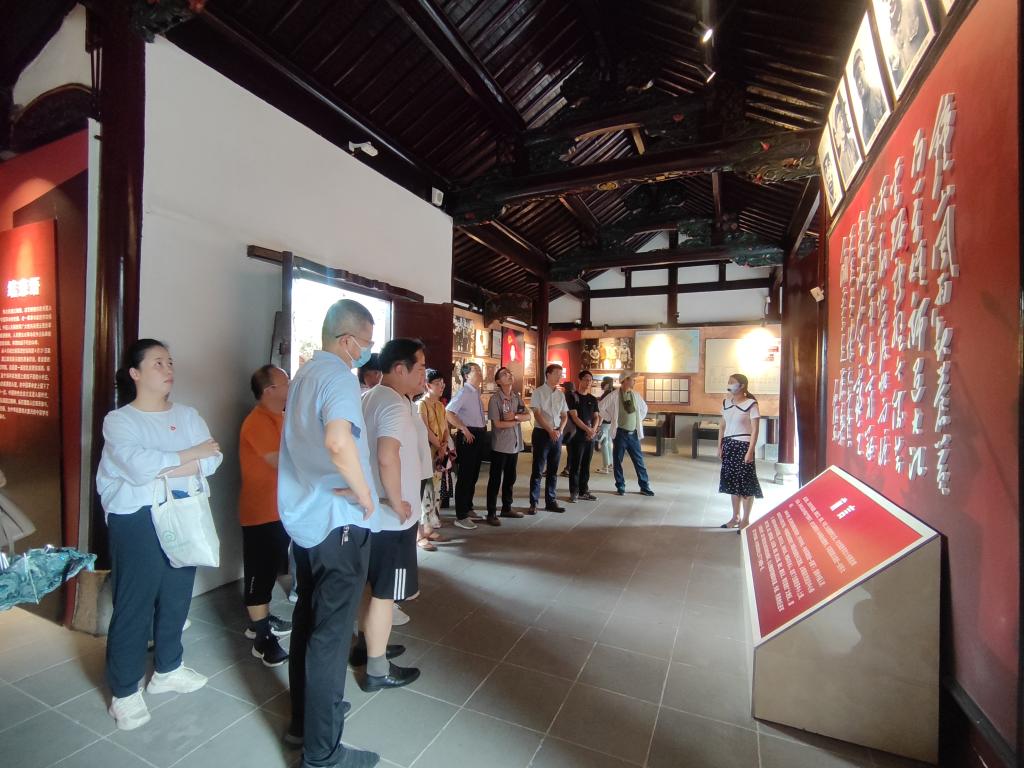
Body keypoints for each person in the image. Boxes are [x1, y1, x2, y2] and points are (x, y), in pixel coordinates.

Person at [97, 339, 222, 731]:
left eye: (170, 362)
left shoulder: (187, 415)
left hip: (183, 510)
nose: (168, 369)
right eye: (157, 363)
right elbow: (137, 468)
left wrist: (171, 465)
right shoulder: (120, 420)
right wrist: (191, 455)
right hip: (136, 517)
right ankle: (124, 691)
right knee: (134, 602)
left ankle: (168, 669)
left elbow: (213, 458)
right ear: (135, 373)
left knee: (176, 593)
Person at [279, 299, 381, 768]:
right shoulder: (338, 376)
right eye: (367, 343)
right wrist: (364, 495)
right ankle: (322, 754)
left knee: (308, 619)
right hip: (338, 522)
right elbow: (338, 442)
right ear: (348, 341)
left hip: (307, 519)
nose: (368, 352)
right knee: (331, 637)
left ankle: (305, 722)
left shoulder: (303, 374)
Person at [356, 338, 426, 692]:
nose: (424, 375)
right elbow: (387, 456)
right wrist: (397, 502)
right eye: (420, 368)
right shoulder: (394, 406)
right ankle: (377, 668)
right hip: (390, 517)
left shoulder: (371, 396)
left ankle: (367, 644)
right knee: (385, 593)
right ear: (400, 368)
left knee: (370, 587)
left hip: (371, 513)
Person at [238, 365, 293, 668]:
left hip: (280, 509)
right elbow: (278, 459)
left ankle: (259, 620)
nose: (291, 385)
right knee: (258, 574)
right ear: (270, 390)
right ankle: (262, 639)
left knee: (269, 570)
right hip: (261, 512)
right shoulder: (257, 421)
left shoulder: (281, 417)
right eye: (286, 382)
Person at [718, 373, 763, 530]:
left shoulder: (751, 404)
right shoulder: (726, 403)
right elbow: (722, 426)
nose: (729, 384)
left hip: (743, 445)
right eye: (728, 381)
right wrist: (719, 446)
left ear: (742, 385)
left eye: (732, 382)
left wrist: (750, 451)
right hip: (729, 445)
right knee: (732, 482)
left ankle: (745, 520)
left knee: (746, 483)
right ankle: (735, 517)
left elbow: (755, 430)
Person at [485, 366, 530, 523]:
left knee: (511, 478)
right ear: (498, 381)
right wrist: (516, 421)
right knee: (495, 480)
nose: (509, 375)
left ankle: (506, 508)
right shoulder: (495, 399)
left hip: (515, 445)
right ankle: (491, 512)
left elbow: (528, 416)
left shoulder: (516, 397)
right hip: (500, 446)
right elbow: (498, 424)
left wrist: (515, 417)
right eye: (504, 374)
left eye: (509, 373)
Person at [599, 371, 655, 497]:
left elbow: (644, 409)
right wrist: (611, 418)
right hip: (620, 434)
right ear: (624, 380)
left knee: (639, 461)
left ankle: (644, 486)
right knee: (618, 461)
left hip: (633, 434)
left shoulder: (635, 395)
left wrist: (638, 420)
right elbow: (601, 407)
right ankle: (620, 485)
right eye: (632, 379)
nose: (634, 381)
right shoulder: (614, 395)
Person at [446, 362, 487, 530]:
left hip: (479, 434)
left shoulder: (475, 392)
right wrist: (463, 428)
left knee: (473, 475)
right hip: (469, 436)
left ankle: (468, 508)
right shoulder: (464, 392)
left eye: (480, 370)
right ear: (466, 375)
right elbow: (449, 412)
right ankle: (461, 515)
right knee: (465, 476)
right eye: (476, 370)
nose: (480, 372)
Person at [417, 369, 452, 544]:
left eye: (442, 383)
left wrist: (443, 444)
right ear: (427, 385)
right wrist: (439, 445)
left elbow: (445, 428)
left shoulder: (440, 406)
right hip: (425, 452)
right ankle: (419, 532)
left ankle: (429, 527)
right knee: (423, 491)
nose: (441, 386)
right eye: (437, 383)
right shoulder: (421, 405)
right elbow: (425, 429)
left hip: (439, 453)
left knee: (435, 490)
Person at [529, 364, 569, 514]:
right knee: (538, 469)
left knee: (553, 470)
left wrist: (560, 430)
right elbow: (537, 414)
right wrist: (550, 430)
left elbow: (564, 415)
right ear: (548, 374)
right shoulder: (538, 392)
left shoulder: (560, 395)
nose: (560, 377)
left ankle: (551, 501)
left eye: (561, 374)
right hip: (542, 433)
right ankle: (533, 502)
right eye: (557, 373)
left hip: (557, 434)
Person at [566, 370, 601, 503]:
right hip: (576, 437)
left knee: (586, 465)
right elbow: (574, 417)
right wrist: (588, 430)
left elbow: (596, 417)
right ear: (579, 380)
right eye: (586, 379)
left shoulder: (592, 399)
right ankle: (574, 492)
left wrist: (593, 430)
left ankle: (584, 490)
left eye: (590, 380)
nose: (588, 382)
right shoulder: (572, 397)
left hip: (589, 437)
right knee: (575, 465)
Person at [852, 49, 885, 141]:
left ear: (865, 72)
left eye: (860, 73)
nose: (859, 82)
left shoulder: (878, 92)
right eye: (856, 79)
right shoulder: (862, 121)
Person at [594, 376, 615, 474]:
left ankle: (605, 466)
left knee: (604, 443)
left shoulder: (606, 394)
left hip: (604, 422)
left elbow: (601, 410)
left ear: (606, 384)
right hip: (611, 422)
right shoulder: (614, 392)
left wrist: (598, 424)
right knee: (608, 443)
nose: (601, 384)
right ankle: (610, 465)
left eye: (603, 382)